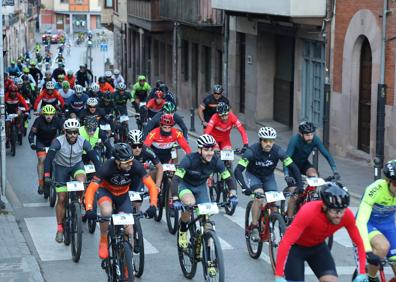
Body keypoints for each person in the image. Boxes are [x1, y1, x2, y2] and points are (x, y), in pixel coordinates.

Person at [274, 182, 367, 282]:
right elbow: (286, 242)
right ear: (324, 206)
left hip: (318, 248)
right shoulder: (308, 212)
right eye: (335, 211)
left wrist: (361, 272)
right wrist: (279, 275)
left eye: (342, 210)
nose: (339, 215)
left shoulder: (346, 215)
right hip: (297, 249)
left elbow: (358, 242)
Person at [84, 143, 158, 258]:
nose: (130, 164)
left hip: (123, 195)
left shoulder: (135, 165)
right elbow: (91, 188)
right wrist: (89, 209)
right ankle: (103, 239)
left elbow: (152, 186)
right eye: (126, 162)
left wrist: (153, 205)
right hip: (106, 192)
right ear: (117, 161)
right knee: (106, 212)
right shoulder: (107, 167)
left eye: (131, 161)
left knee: (130, 231)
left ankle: (127, 265)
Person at [171, 134, 238, 249]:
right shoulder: (189, 159)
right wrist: (175, 198)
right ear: (199, 150)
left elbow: (228, 178)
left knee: (207, 221)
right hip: (185, 186)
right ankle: (182, 230)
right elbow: (176, 180)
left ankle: (210, 260)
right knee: (190, 204)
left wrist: (233, 193)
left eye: (212, 149)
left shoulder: (216, 161)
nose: (210, 153)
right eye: (206, 150)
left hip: (200, 187)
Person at [234, 127, 303, 236]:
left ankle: (269, 222)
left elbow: (293, 167)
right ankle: (255, 226)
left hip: (268, 177)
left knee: (273, 205)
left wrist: (300, 185)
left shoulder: (278, 151)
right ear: (260, 141)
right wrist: (244, 187)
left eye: (271, 141)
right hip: (253, 175)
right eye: (265, 141)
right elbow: (237, 171)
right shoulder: (251, 152)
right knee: (259, 197)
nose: (268, 144)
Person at [43, 119, 100, 243]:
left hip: (76, 166)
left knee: (81, 183)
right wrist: (47, 175)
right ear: (65, 132)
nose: (73, 135)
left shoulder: (82, 141)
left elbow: (94, 157)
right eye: (70, 132)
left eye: (75, 132)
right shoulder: (58, 142)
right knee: (62, 198)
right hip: (61, 168)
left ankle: (79, 204)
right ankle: (59, 229)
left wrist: (100, 173)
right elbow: (48, 159)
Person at [356, 160, 396, 282]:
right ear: (387, 181)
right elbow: (361, 221)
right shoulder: (375, 189)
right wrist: (368, 250)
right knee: (382, 247)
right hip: (369, 223)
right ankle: (371, 278)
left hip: (387, 226)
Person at [28, 105, 63, 194]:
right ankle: (40, 183)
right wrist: (32, 143)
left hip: (52, 141)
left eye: (51, 114)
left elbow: (64, 131)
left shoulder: (57, 120)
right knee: (42, 160)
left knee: (57, 159)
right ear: (43, 114)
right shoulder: (38, 120)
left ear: (54, 114)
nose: (49, 116)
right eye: (46, 114)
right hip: (41, 142)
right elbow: (31, 134)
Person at [128, 129, 163, 194]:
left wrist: (157, 186)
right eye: (134, 146)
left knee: (137, 203)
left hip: (138, 175)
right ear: (129, 145)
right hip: (125, 175)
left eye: (140, 145)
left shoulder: (147, 150)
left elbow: (160, 167)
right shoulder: (124, 150)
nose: (137, 149)